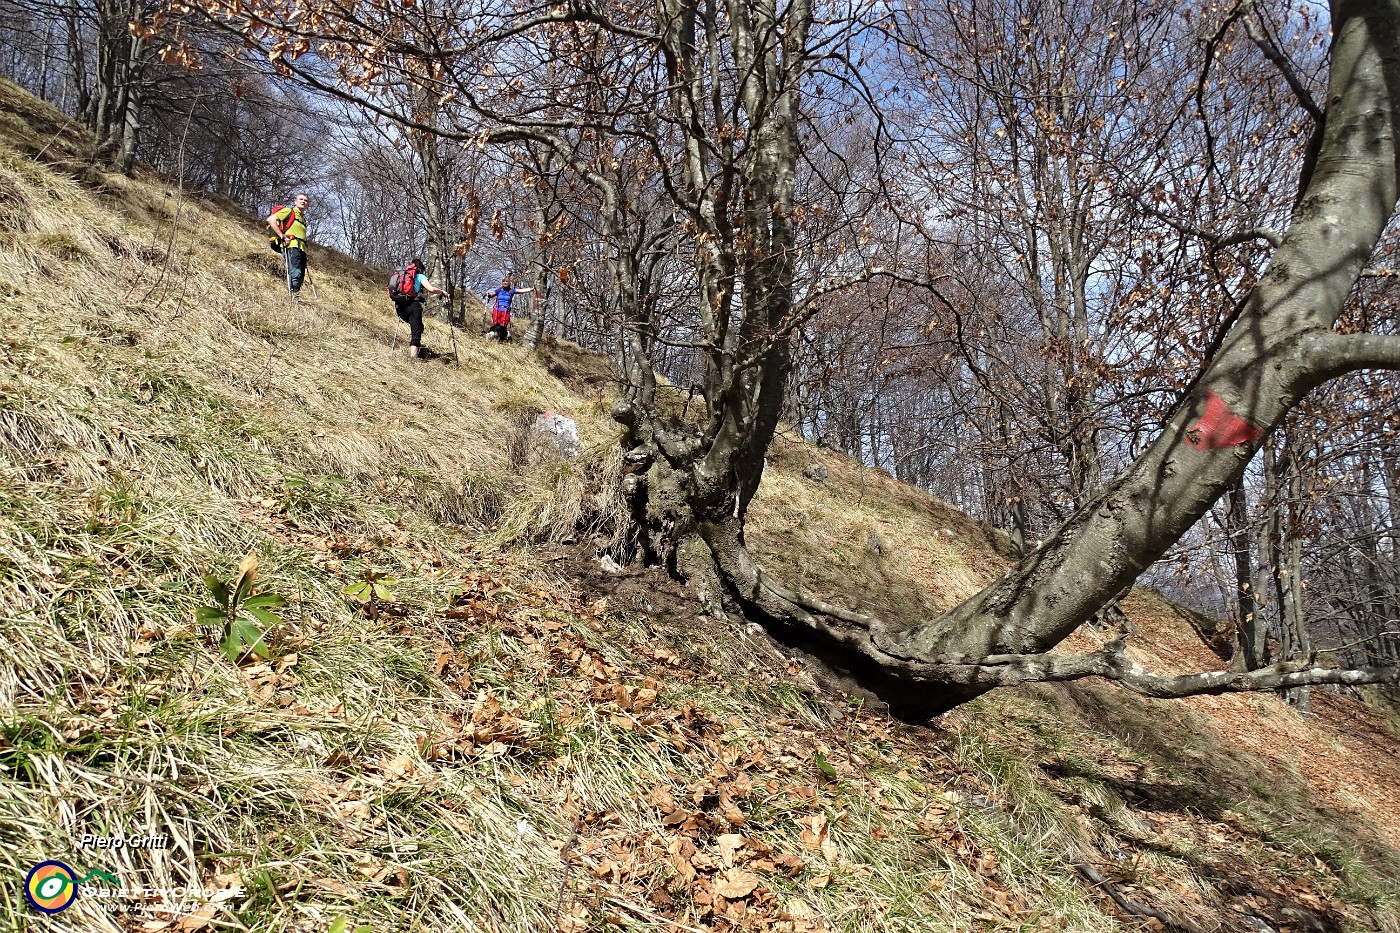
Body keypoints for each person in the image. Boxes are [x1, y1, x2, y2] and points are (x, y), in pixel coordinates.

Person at [392, 259, 448, 359]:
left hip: (400, 307)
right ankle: (413, 359)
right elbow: (431, 289)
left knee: (419, 327)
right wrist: (441, 291)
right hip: (413, 306)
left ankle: (418, 350)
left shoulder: (402, 275)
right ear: (420, 268)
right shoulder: (419, 276)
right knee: (416, 332)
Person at [265, 193, 311, 297]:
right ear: (295, 201)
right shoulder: (289, 211)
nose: (303, 201)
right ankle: (292, 297)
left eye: (306, 201)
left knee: (300, 276)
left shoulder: (303, 219)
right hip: (291, 246)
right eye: (301, 199)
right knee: (295, 273)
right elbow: (271, 219)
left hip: (301, 249)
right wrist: (282, 236)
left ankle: (295, 296)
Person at [483, 275, 517, 342]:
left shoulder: (511, 291)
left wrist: (532, 289)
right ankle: (493, 336)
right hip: (497, 310)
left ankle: (503, 338)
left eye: (507, 281)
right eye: (503, 281)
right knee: (496, 325)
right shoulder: (499, 290)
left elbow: (522, 290)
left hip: (505, 311)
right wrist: (488, 295)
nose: (505, 282)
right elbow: (492, 294)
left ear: (509, 283)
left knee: (503, 326)